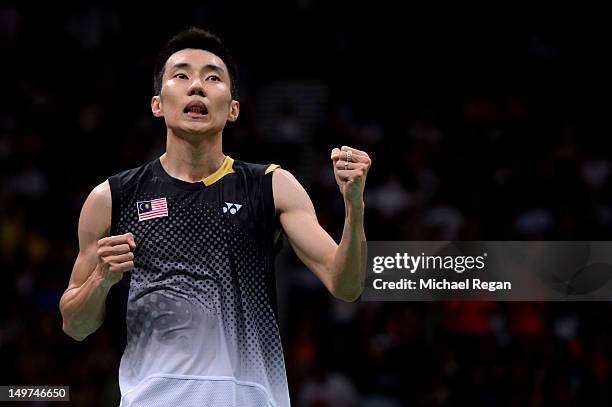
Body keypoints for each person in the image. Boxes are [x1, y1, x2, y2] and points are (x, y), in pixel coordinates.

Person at [59, 27, 371, 407]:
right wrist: (101, 280)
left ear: (233, 108)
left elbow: (346, 285)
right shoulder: (112, 197)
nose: (196, 87)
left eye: (212, 77)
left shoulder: (271, 186)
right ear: (157, 104)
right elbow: (75, 326)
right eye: (181, 75)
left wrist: (354, 206)